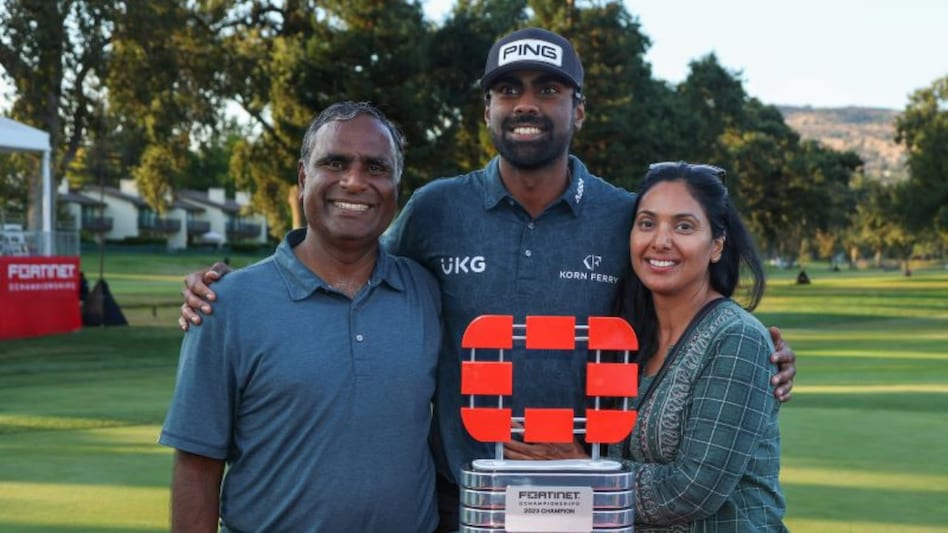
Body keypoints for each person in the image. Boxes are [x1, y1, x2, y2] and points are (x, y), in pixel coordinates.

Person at [177, 28, 796, 531]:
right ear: (487, 110)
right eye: (507, 89)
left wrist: (752, 347)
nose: (526, 103)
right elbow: (350, 265)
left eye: (548, 89)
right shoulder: (436, 209)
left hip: (589, 503)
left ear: (579, 109)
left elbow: (681, 298)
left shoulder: (623, 216)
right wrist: (233, 289)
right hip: (461, 504)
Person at [159, 101, 441, 533]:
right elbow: (197, 467)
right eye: (335, 163)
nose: (354, 181)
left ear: (396, 185)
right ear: (303, 176)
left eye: (376, 167)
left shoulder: (426, 292)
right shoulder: (227, 303)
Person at [619, 161, 786, 531]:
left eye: (684, 226)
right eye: (647, 223)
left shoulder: (736, 338)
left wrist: (583, 471)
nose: (660, 241)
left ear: (716, 246)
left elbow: (690, 490)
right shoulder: (628, 336)